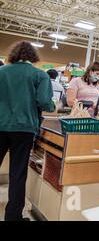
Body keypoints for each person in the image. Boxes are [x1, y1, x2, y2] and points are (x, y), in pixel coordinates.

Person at [0, 41, 54, 221]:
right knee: (17, 173)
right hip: (24, 129)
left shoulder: (1, 72)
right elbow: (45, 102)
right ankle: (13, 216)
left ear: (13, 55)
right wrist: (52, 105)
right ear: (33, 57)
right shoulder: (39, 75)